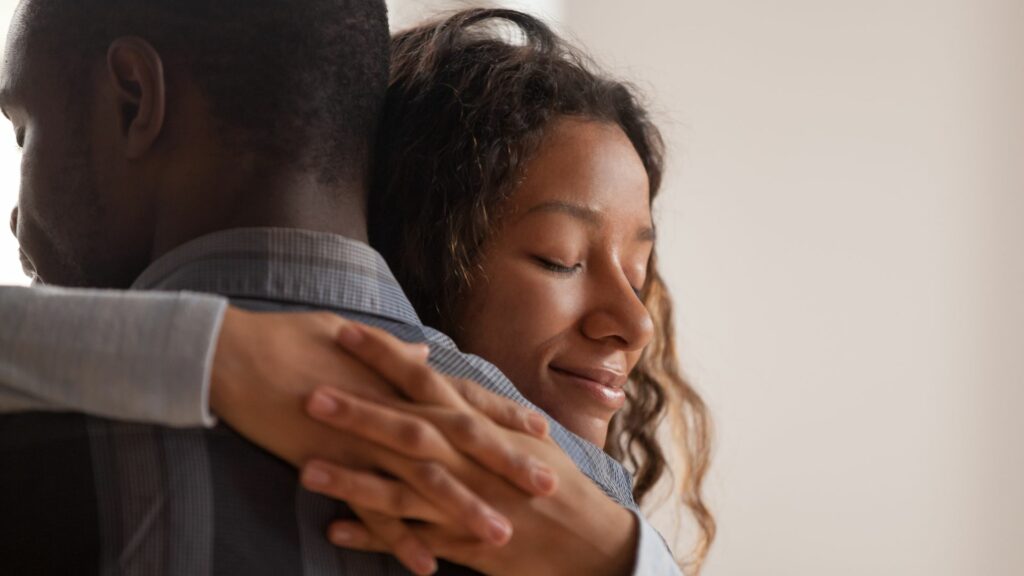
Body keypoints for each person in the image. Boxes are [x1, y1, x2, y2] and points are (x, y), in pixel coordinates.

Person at [0, 1, 679, 575]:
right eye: (560, 258)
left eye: (26, 132)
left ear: (134, 99)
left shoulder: (37, 436)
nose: (15, 217)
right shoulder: (584, 514)